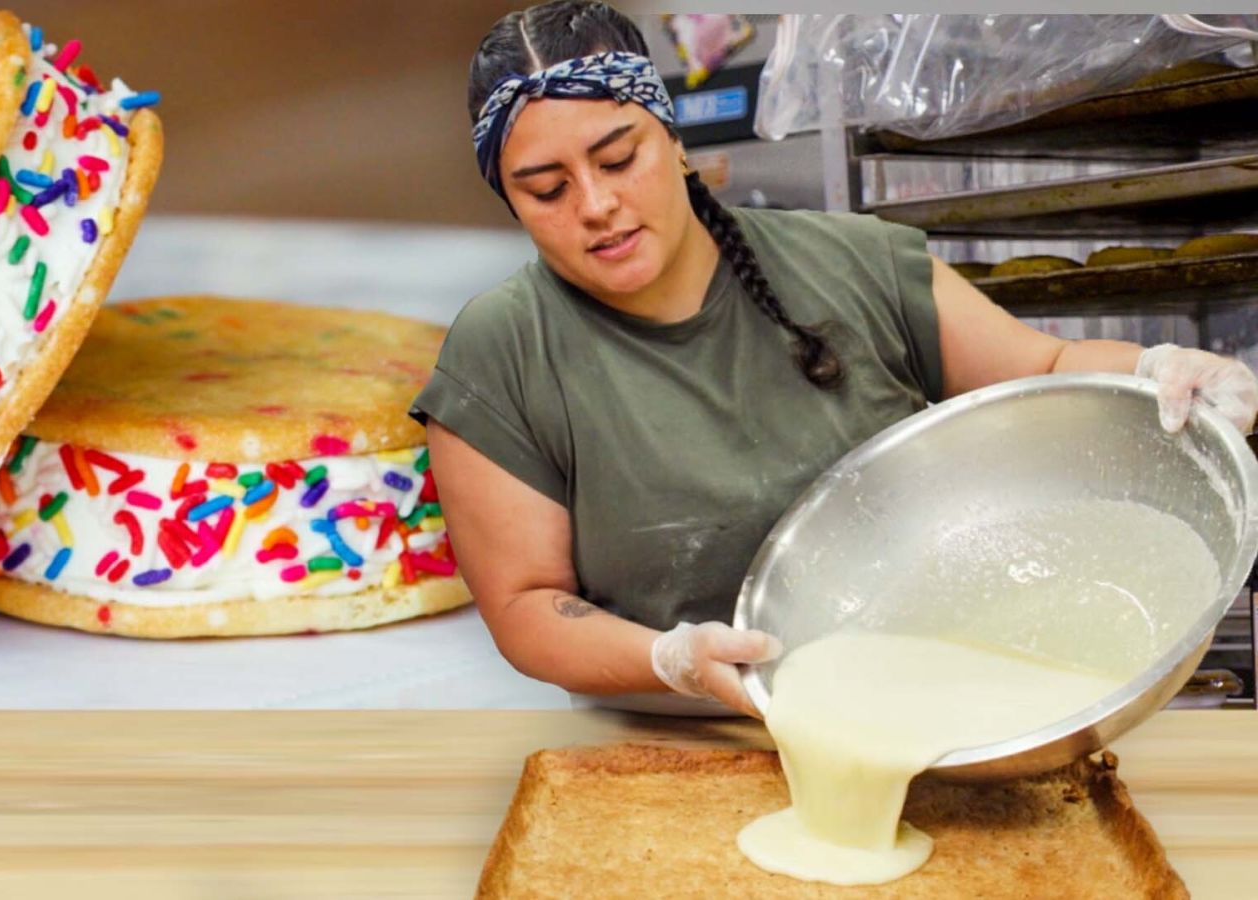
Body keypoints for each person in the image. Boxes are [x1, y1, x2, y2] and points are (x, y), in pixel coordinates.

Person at [409, 0, 1258, 717]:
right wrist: (671, 658)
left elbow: (1039, 373)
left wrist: (1156, 371)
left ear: (670, 138)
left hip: (928, 703)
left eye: (618, 157)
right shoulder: (504, 351)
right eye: (547, 189)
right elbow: (526, 608)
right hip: (673, 746)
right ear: (508, 196)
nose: (596, 205)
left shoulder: (856, 264)